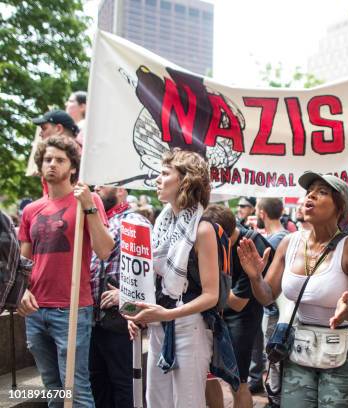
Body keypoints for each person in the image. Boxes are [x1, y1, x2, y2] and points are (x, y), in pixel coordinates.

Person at [237, 171, 348, 407]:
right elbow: (267, 296)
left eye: (322, 192)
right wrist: (254, 277)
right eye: (309, 191)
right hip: (301, 345)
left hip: (345, 352)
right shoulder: (289, 243)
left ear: (339, 207)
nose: (311, 195)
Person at [17, 136, 114, 407]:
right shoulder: (31, 210)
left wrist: (90, 208)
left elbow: (105, 249)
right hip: (35, 310)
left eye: (60, 160)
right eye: (48, 159)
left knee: (77, 389)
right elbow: (23, 262)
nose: (52, 164)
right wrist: (22, 291)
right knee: (53, 390)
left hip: (71, 309)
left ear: (73, 167)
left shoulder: (87, 200)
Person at [124, 149, 220, 408]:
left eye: (165, 174)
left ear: (185, 180)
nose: (157, 179)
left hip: (189, 328)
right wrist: (137, 313)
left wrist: (164, 315)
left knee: (187, 403)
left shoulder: (203, 228)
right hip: (158, 327)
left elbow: (212, 295)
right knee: (156, 402)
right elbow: (154, 283)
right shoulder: (161, 224)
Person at [89, 186, 151, 408]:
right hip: (92, 321)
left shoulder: (136, 222)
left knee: (125, 386)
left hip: (120, 320)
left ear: (122, 190)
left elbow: (149, 272)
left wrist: (124, 294)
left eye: (104, 183)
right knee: (98, 385)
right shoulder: (93, 220)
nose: (96, 188)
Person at [201, 204, 268, 408]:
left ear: (225, 237)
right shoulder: (215, 240)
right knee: (208, 375)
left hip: (242, 318)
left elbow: (239, 303)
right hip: (215, 312)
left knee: (238, 381)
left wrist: (211, 286)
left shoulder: (252, 244)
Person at [249, 198, 289, 406]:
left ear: (262, 213)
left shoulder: (276, 240)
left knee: (274, 358)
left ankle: (275, 400)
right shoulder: (284, 237)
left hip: (274, 309)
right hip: (277, 308)